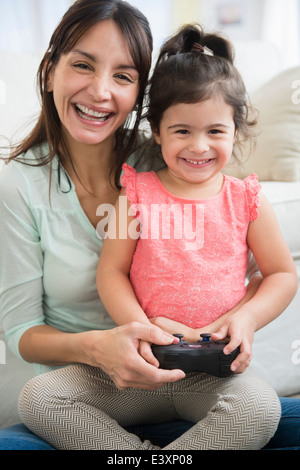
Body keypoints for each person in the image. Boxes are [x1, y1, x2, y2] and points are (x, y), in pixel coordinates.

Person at [0, 0, 299, 451]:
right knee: (37, 404)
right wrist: (131, 334)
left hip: (206, 379)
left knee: (268, 411)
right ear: (49, 71)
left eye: (122, 75)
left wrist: (245, 317)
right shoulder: (135, 189)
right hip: (111, 384)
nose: (101, 91)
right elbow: (102, 277)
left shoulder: (183, 168)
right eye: (83, 65)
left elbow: (271, 272)